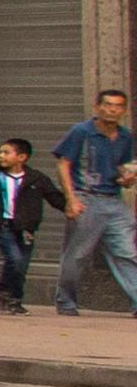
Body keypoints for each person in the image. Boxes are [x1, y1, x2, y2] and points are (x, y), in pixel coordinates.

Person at [49, 87, 137, 318]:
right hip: (86, 198)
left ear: (124, 110)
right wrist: (71, 199)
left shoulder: (126, 136)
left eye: (118, 106)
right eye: (108, 105)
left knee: (128, 252)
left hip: (114, 200)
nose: (113, 110)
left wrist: (127, 177)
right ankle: (66, 302)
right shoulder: (81, 131)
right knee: (77, 255)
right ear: (98, 107)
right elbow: (63, 164)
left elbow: (122, 167)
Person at [0, 133, 58, 314]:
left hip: (26, 228)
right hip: (3, 225)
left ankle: (13, 299)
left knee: (21, 266)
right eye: (0, 152)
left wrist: (70, 208)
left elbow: (54, 196)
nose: (1, 155)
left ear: (22, 157)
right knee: (15, 259)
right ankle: (5, 292)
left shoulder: (36, 179)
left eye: (7, 152)